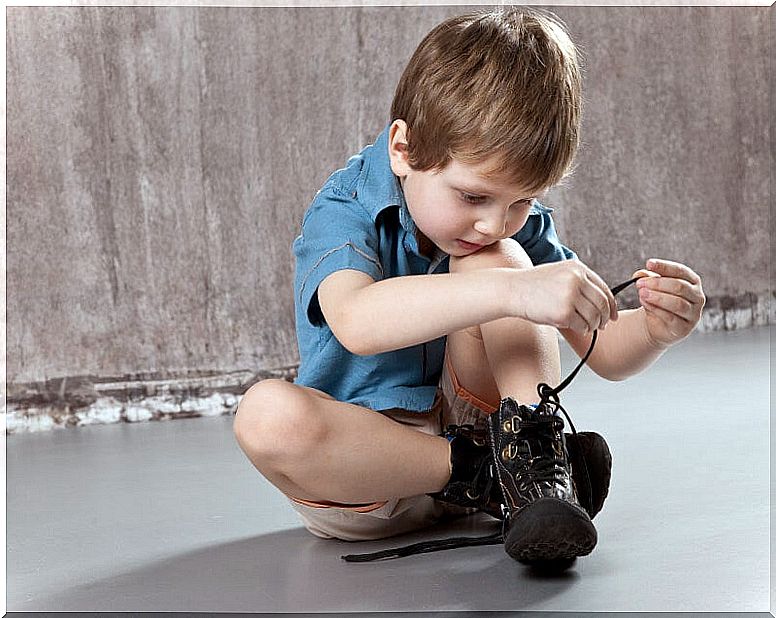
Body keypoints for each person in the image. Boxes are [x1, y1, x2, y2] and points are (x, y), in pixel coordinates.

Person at [233, 6, 705, 567]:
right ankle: (485, 476)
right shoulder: (345, 208)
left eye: (523, 201)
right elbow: (357, 322)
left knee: (500, 259)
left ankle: (535, 468)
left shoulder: (506, 229)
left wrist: (654, 329)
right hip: (368, 475)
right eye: (474, 197)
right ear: (402, 150)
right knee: (265, 415)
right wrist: (516, 291)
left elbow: (603, 353)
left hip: (485, 429)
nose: (496, 222)